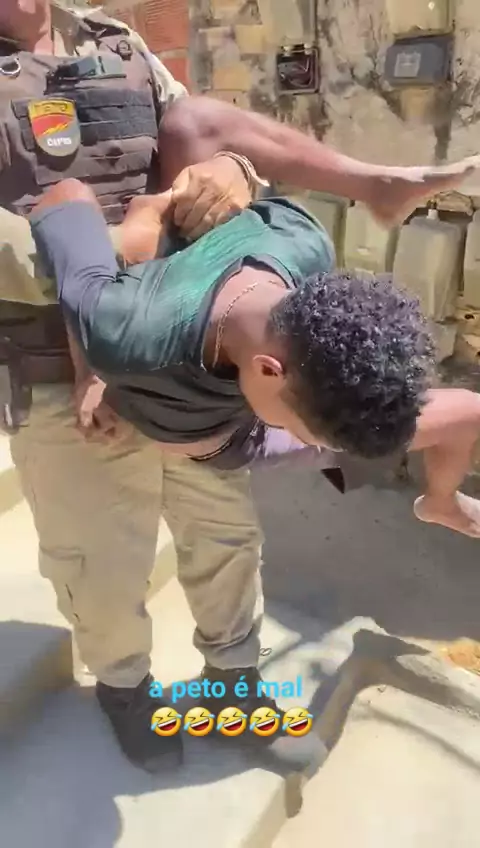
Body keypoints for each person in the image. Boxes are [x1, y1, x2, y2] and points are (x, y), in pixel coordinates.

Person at [2, 0, 480, 775]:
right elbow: (49, 227)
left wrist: (234, 174)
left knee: (226, 539)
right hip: (62, 369)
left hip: (200, 350)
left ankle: (234, 688)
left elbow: (198, 142)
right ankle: (127, 690)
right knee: (101, 562)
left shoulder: (113, 41)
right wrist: (113, 313)